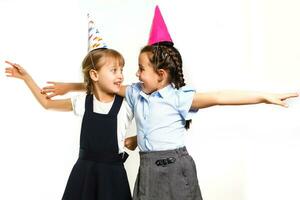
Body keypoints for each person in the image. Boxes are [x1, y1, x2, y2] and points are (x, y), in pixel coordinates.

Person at [39, 6, 298, 200]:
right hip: (148, 168)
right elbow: (104, 85)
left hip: (176, 169)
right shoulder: (135, 94)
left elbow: (220, 97)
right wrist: (70, 85)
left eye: (141, 69)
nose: (136, 74)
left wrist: (264, 97)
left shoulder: (178, 97)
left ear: (160, 75)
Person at [5, 17, 137, 199]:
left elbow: (156, 110)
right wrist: (27, 78)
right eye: (114, 70)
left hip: (113, 177)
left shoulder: (127, 102)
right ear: (94, 74)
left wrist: (138, 138)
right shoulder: (83, 102)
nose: (121, 75)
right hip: (84, 174)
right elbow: (47, 104)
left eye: (121, 70)